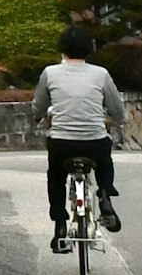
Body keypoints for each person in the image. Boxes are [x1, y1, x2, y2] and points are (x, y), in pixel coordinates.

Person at [33, 25, 122, 253]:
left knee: (55, 178)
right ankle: (104, 196)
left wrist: (40, 116)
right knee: (105, 158)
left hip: (61, 143)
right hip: (94, 143)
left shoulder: (50, 73)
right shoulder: (100, 74)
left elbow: (38, 108)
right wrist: (113, 119)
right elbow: (117, 110)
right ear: (88, 48)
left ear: (62, 48)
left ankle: (60, 226)